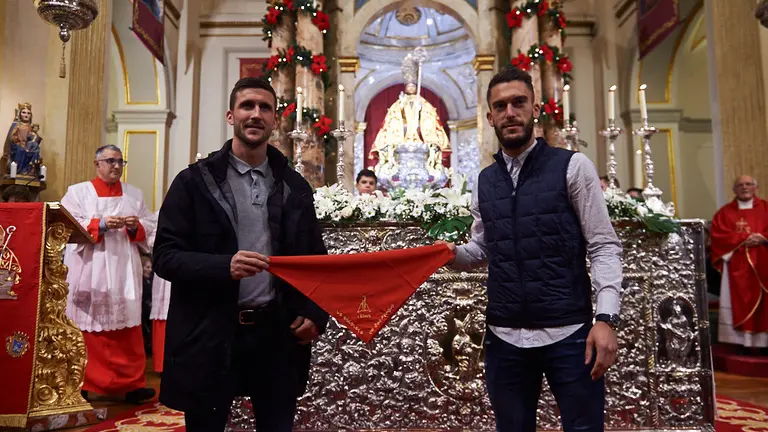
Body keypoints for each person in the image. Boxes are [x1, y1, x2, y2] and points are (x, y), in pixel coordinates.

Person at [438, 67, 623, 431]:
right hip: (505, 335)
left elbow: (603, 245)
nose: (510, 112)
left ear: (535, 109)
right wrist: (448, 254)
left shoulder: (572, 167)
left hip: (569, 332)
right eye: (500, 106)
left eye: (519, 102)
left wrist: (605, 319)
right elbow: (483, 249)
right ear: (489, 117)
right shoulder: (484, 181)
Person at [153, 77, 329, 431]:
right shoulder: (194, 182)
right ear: (231, 115)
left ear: (275, 120)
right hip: (211, 330)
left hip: (275, 333)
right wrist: (224, 266)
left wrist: (315, 313)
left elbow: (315, 258)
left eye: (265, 108)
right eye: (247, 105)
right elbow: (165, 257)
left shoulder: (294, 186)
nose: (256, 114)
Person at [62, 144, 155, 403]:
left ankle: (132, 384)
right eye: (111, 161)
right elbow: (67, 225)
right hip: (91, 267)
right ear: (97, 164)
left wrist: (135, 226)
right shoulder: (78, 192)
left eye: (120, 161)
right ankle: (82, 383)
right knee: (88, 327)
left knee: (128, 325)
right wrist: (100, 224)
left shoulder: (134, 194)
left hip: (124, 267)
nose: (116, 166)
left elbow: (150, 226)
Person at [711, 175, 768, 352]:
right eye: (740, 185)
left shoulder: (766, 208)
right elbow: (718, 236)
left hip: (763, 264)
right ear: (734, 189)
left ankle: (764, 343)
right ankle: (742, 342)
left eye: (748, 184)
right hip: (736, 266)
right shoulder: (724, 213)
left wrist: (763, 238)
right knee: (739, 303)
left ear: (755, 187)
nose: (744, 187)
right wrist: (744, 238)